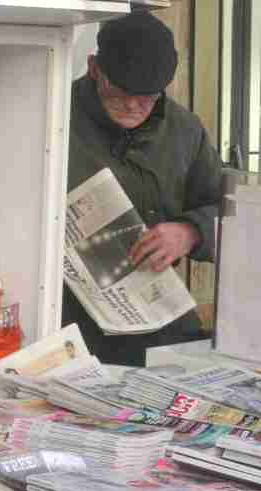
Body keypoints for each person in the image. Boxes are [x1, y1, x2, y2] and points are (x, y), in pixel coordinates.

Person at [62, 11, 222, 367]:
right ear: (93, 68)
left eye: (148, 98)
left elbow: (223, 210)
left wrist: (190, 231)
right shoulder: (54, 115)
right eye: (119, 94)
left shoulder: (184, 129)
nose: (134, 107)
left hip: (159, 317)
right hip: (67, 322)